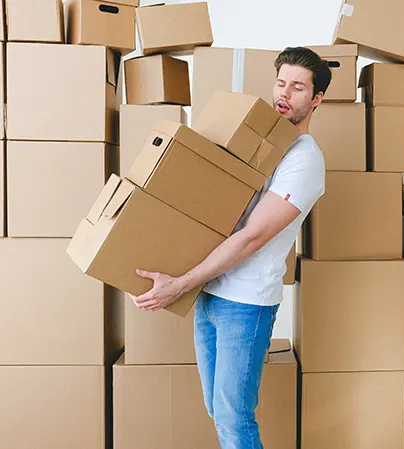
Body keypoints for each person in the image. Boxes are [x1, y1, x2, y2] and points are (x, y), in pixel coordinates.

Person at [130, 46, 331, 449]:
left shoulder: (304, 159)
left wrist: (181, 283)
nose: (284, 94)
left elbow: (252, 236)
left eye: (297, 87)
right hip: (210, 293)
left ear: (316, 99)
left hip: (245, 302)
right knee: (217, 408)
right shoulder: (257, 142)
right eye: (280, 83)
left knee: (233, 415)